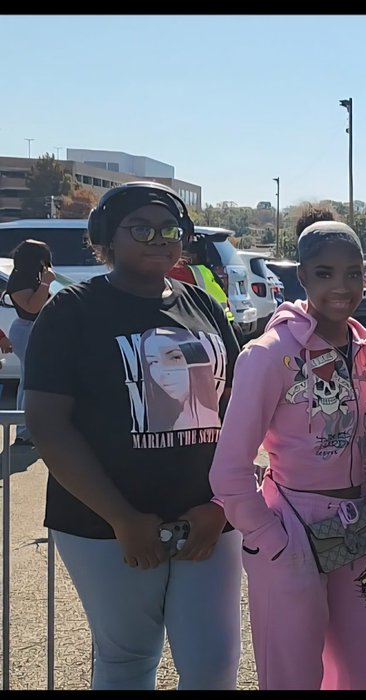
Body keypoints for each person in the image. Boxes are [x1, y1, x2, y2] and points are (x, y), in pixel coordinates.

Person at [22, 181, 243, 690]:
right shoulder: (72, 310)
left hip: (207, 518)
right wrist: (122, 518)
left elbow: (236, 406)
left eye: (169, 228)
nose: (157, 238)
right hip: (104, 526)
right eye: (139, 227)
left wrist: (223, 505)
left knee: (214, 666)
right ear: (106, 237)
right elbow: (47, 424)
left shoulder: (203, 305)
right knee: (128, 663)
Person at [210, 221, 366, 690]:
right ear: (303, 277)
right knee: (293, 675)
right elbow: (229, 469)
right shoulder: (268, 354)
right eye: (326, 273)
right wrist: (271, 538)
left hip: (362, 529)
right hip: (292, 529)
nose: (342, 287)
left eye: (354, 274)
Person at [3, 239, 53, 445]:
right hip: (26, 330)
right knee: (28, 380)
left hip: (35, 329)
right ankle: (24, 431)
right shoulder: (20, 280)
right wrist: (46, 283)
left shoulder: (31, 276)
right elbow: (32, 307)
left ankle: (32, 428)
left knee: (33, 379)